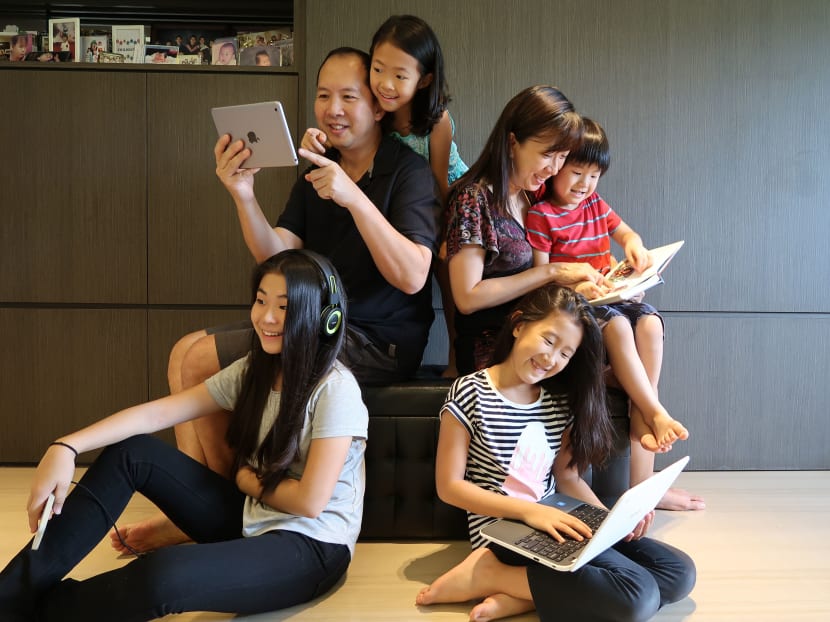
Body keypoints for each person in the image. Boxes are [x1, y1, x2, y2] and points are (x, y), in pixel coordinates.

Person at [116, 47, 439, 552]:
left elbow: (414, 276)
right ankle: (205, 507)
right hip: (315, 323)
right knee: (185, 353)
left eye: (348, 97)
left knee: (198, 358)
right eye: (323, 95)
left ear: (377, 106)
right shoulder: (317, 166)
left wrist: (353, 196)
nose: (332, 108)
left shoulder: (408, 173)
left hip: (378, 340)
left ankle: (215, 514)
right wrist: (243, 195)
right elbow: (279, 256)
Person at [0, 250, 369, 621]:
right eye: (261, 301)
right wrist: (67, 445)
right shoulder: (255, 370)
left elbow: (309, 501)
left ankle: (34, 611)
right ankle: (10, 593)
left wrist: (244, 479)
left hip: (311, 546)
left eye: (285, 307)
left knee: (164, 576)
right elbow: (161, 411)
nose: (267, 318)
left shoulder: (336, 390)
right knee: (134, 453)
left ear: (325, 317)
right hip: (252, 516)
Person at [415, 283, 696, 621]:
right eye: (549, 340)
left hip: (558, 517)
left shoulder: (557, 400)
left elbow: (567, 476)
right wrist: (530, 513)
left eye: (565, 353)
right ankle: (489, 573)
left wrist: (611, 521)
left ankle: (521, 595)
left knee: (678, 573)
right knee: (638, 597)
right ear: (519, 325)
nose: (551, 358)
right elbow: (450, 487)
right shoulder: (469, 392)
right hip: (505, 530)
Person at [526, 118, 704, 512]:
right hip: (577, 308)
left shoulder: (594, 205)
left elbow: (626, 235)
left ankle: (646, 445)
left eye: (594, 176)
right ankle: (653, 414)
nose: (584, 184)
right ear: (556, 168)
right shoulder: (542, 215)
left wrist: (636, 250)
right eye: (576, 173)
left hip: (613, 297)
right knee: (621, 326)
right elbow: (540, 282)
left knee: (651, 324)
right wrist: (579, 289)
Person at [301, 15, 467, 377]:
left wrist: (439, 238)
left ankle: (458, 353)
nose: (386, 85)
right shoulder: (376, 113)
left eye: (400, 76)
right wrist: (316, 139)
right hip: (408, 200)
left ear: (423, 80)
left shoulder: (436, 121)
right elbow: (340, 134)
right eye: (378, 70)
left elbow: (437, 183)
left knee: (446, 272)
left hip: (447, 197)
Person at [446, 85, 606, 375]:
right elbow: (467, 297)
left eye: (562, 157)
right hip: (495, 348)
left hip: (540, 340)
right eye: (548, 155)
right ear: (512, 143)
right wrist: (552, 272)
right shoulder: (474, 198)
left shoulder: (532, 195)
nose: (555, 169)